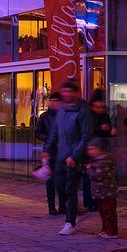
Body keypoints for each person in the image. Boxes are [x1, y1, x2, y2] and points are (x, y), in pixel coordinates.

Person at [42, 80, 93, 236]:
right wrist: (48, 149)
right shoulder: (62, 111)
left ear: (76, 93)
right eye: (64, 91)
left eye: (70, 91)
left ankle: (70, 221)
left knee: (70, 189)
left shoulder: (83, 111)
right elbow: (55, 132)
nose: (67, 94)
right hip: (61, 156)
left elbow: (86, 135)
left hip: (74, 158)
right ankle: (74, 211)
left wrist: (75, 156)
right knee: (60, 186)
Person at [86, 137, 118, 239]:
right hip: (100, 191)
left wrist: (89, 169)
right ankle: (105, 230)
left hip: (107, 191)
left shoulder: (103, 161)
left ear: (101, 150)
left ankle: (112, 232)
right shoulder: (96, 160)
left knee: (109, 212)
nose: (90, 152)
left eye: (93, 149)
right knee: (103, 212)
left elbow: (98, 176)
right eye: (89, 149)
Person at [35, 92, 61, 215]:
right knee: (51, 179)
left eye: (57, 101)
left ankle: (63, 205)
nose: (55, 103)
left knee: (62, 179)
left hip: (63, 150)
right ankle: (51, 205)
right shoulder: (44, 117)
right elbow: (38, 132)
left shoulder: (64, 115)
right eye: (53, 100)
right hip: (50, 150)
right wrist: (49, 139)